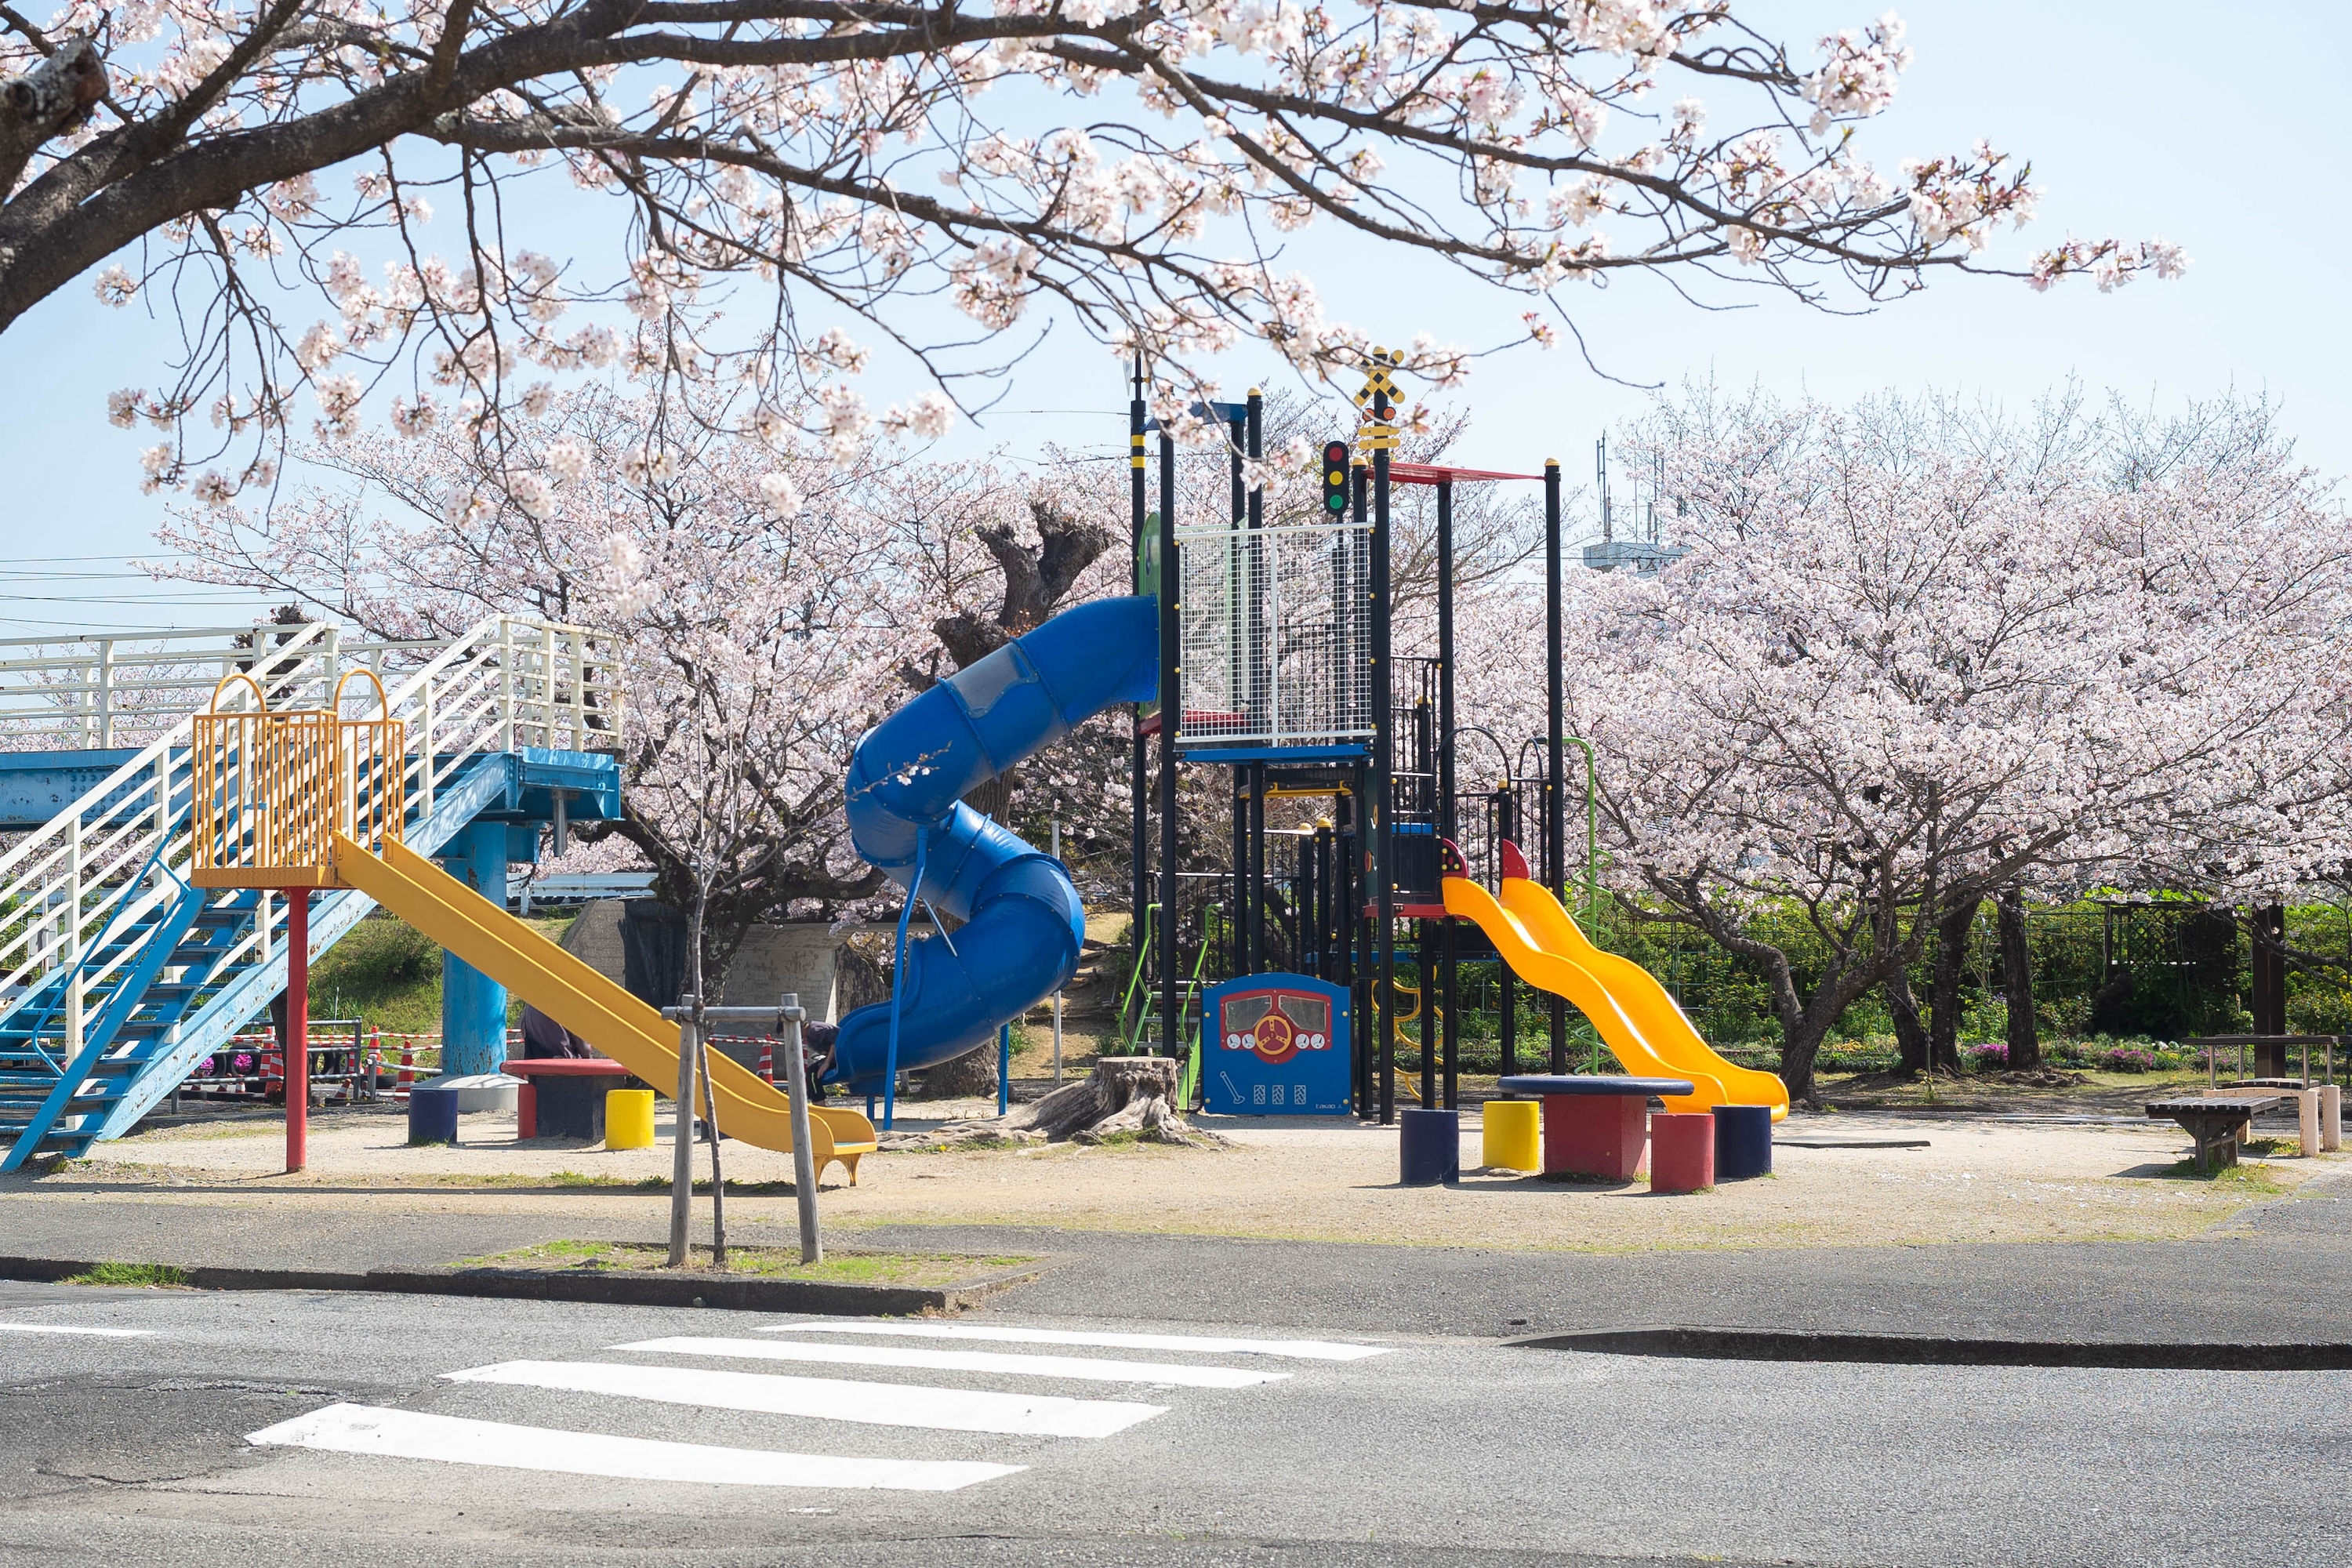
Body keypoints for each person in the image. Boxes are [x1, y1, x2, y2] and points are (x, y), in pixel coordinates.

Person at [519, 1004, 596, 1059]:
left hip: (535, 1067)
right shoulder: (567, 1003)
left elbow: (524, 1030)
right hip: (565, 1069)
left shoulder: (530, 1005)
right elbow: (584, 1047)